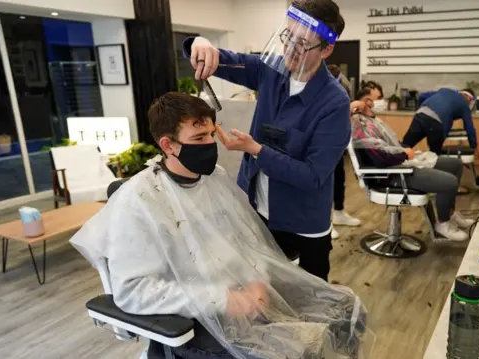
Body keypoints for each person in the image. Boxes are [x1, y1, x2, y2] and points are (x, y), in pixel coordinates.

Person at [70, 92, 371, 359]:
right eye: (199, 139)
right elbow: (133, 290)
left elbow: (249, 242)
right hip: (197, 318)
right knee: (299, 350)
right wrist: (223, 299)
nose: (211, 145)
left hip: (247, 294)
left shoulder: (215, 178)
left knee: (345, 308)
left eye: (212, 134)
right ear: (168, 144)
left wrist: (257, 279)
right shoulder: (140, 201)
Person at [183, 0, 349, 282]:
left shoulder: (334, 103)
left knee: (311, 297)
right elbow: (220, 59)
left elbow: (312, 176)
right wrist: (198, 44)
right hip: (256, 209)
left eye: (303, 44)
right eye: (287, 37)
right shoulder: (272, 70)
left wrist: (256, 150)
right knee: (259, 289)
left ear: (327, 49)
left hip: (303, 222)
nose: (290, 49)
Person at [351, 87, 474, 242]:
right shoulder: (359, 125)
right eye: (371, 100)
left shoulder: (374, 121)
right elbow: (379, 157)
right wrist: (404, 154)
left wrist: (406, 151)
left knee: (455, 165)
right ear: (361, 103)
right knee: (449, 182)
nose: (375, 103)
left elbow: (390, 146)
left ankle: (449, 212)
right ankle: (443, 224)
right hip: (390, 174)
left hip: (400, 162)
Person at [327, 64, 361, 239]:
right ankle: (325, 221)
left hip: (337, 142)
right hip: (323, 143)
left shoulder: (339, 91)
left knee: (339, 178)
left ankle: (339, 212)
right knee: (325, 182)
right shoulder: (321, 90)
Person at [402, 88, 477, 155]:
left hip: (420, 114)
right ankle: (432, 169)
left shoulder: (445, 90)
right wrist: (473, 146)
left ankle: (395, 167)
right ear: (468, 97)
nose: (470, 103)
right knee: (434, 155)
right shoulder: (464, 104)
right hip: (436, 123)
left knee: (405, 146)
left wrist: (420, 107)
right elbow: (469, 127)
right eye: (471, 101)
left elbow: (422, 96)